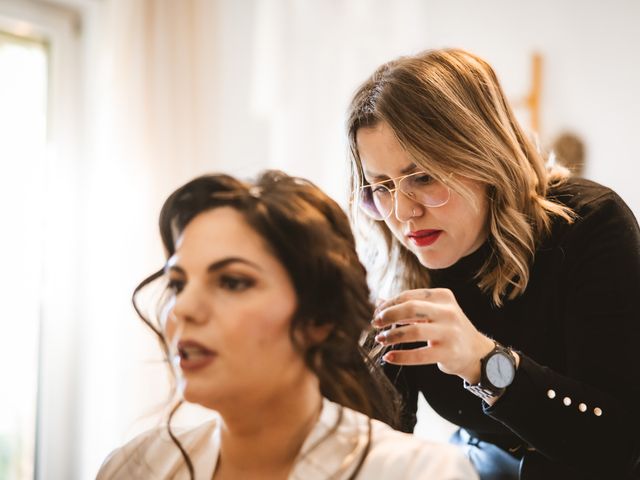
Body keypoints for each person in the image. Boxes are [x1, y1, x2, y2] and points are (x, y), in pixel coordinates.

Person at [346, 48, 640, 479]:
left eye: (422, 177)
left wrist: (485, 364)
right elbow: (382, 441)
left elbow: (619, 443)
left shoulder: (590, 224)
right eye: (382, 187)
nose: (403, 212)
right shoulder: (400, 262)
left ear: (483, 156)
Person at [97, 170, 478, 479]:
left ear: (319, 318)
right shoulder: (134, 467)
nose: (183, 310)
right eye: (179, 284)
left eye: (232, 282)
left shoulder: (417, 473)